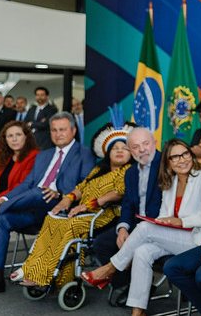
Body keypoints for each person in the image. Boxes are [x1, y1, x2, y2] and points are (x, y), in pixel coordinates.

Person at [82, 139, 201, 316]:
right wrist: (162, 222)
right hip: (177, 238)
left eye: (185, 154)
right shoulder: (170, 183)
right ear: (169, 163)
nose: (182, 160)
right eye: (175, 157)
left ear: (191, 155)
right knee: (142, 252)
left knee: (144, 228)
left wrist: (181, 221)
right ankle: (137, 312)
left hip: (200, 239)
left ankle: (111, 268)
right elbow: (164, 215)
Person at [13, 120, 135, 288]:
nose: (120, 151)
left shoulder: (129, 171)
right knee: (51, 219)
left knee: (70, 226)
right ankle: (32, 269)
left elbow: (118, 193)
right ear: (108, 152)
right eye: (115, 148)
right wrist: (68, 198)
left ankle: (48, 275)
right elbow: (81, 187)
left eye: (124, 148)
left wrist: (89, 205)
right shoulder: (99, 170)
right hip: (81, 211)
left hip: (103, 215)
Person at [0, 112, 94, 293]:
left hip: (60, 206)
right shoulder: (44, 155)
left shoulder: (84, 154)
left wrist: (61, 194)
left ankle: (0, 206)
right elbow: (26, 184)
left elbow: (87, 185)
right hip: (33, 210)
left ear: (74, 130)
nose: (58, 133)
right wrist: (3, 198)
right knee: (0, 219)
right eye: (54, 130)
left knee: (39, 192)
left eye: (62, 129)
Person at [90, 127, 163, 291]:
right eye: (136, 147)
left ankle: (118, 274)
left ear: (155, 143)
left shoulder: (166, 165)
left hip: (159, 225)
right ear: (131, 151)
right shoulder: (131, 172)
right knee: (101, 243)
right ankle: (128, 286)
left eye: (146, 144)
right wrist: (123, 228)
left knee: (137, 249)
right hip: (138, 223)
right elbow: (128, 204)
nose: (142, 149)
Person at [0, 122, 38, 229]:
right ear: (5, 140)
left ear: (26, 137)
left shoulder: (34, 156)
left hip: (16, 205)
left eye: (18, 135)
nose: (14, 139)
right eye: (10, 136)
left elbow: (20, 187)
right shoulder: (6, 157)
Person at [0, 92, 17, 173]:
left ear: (2, 99)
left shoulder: (10, 112)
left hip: (0, 144)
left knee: (0, 168)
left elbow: (6, 129)